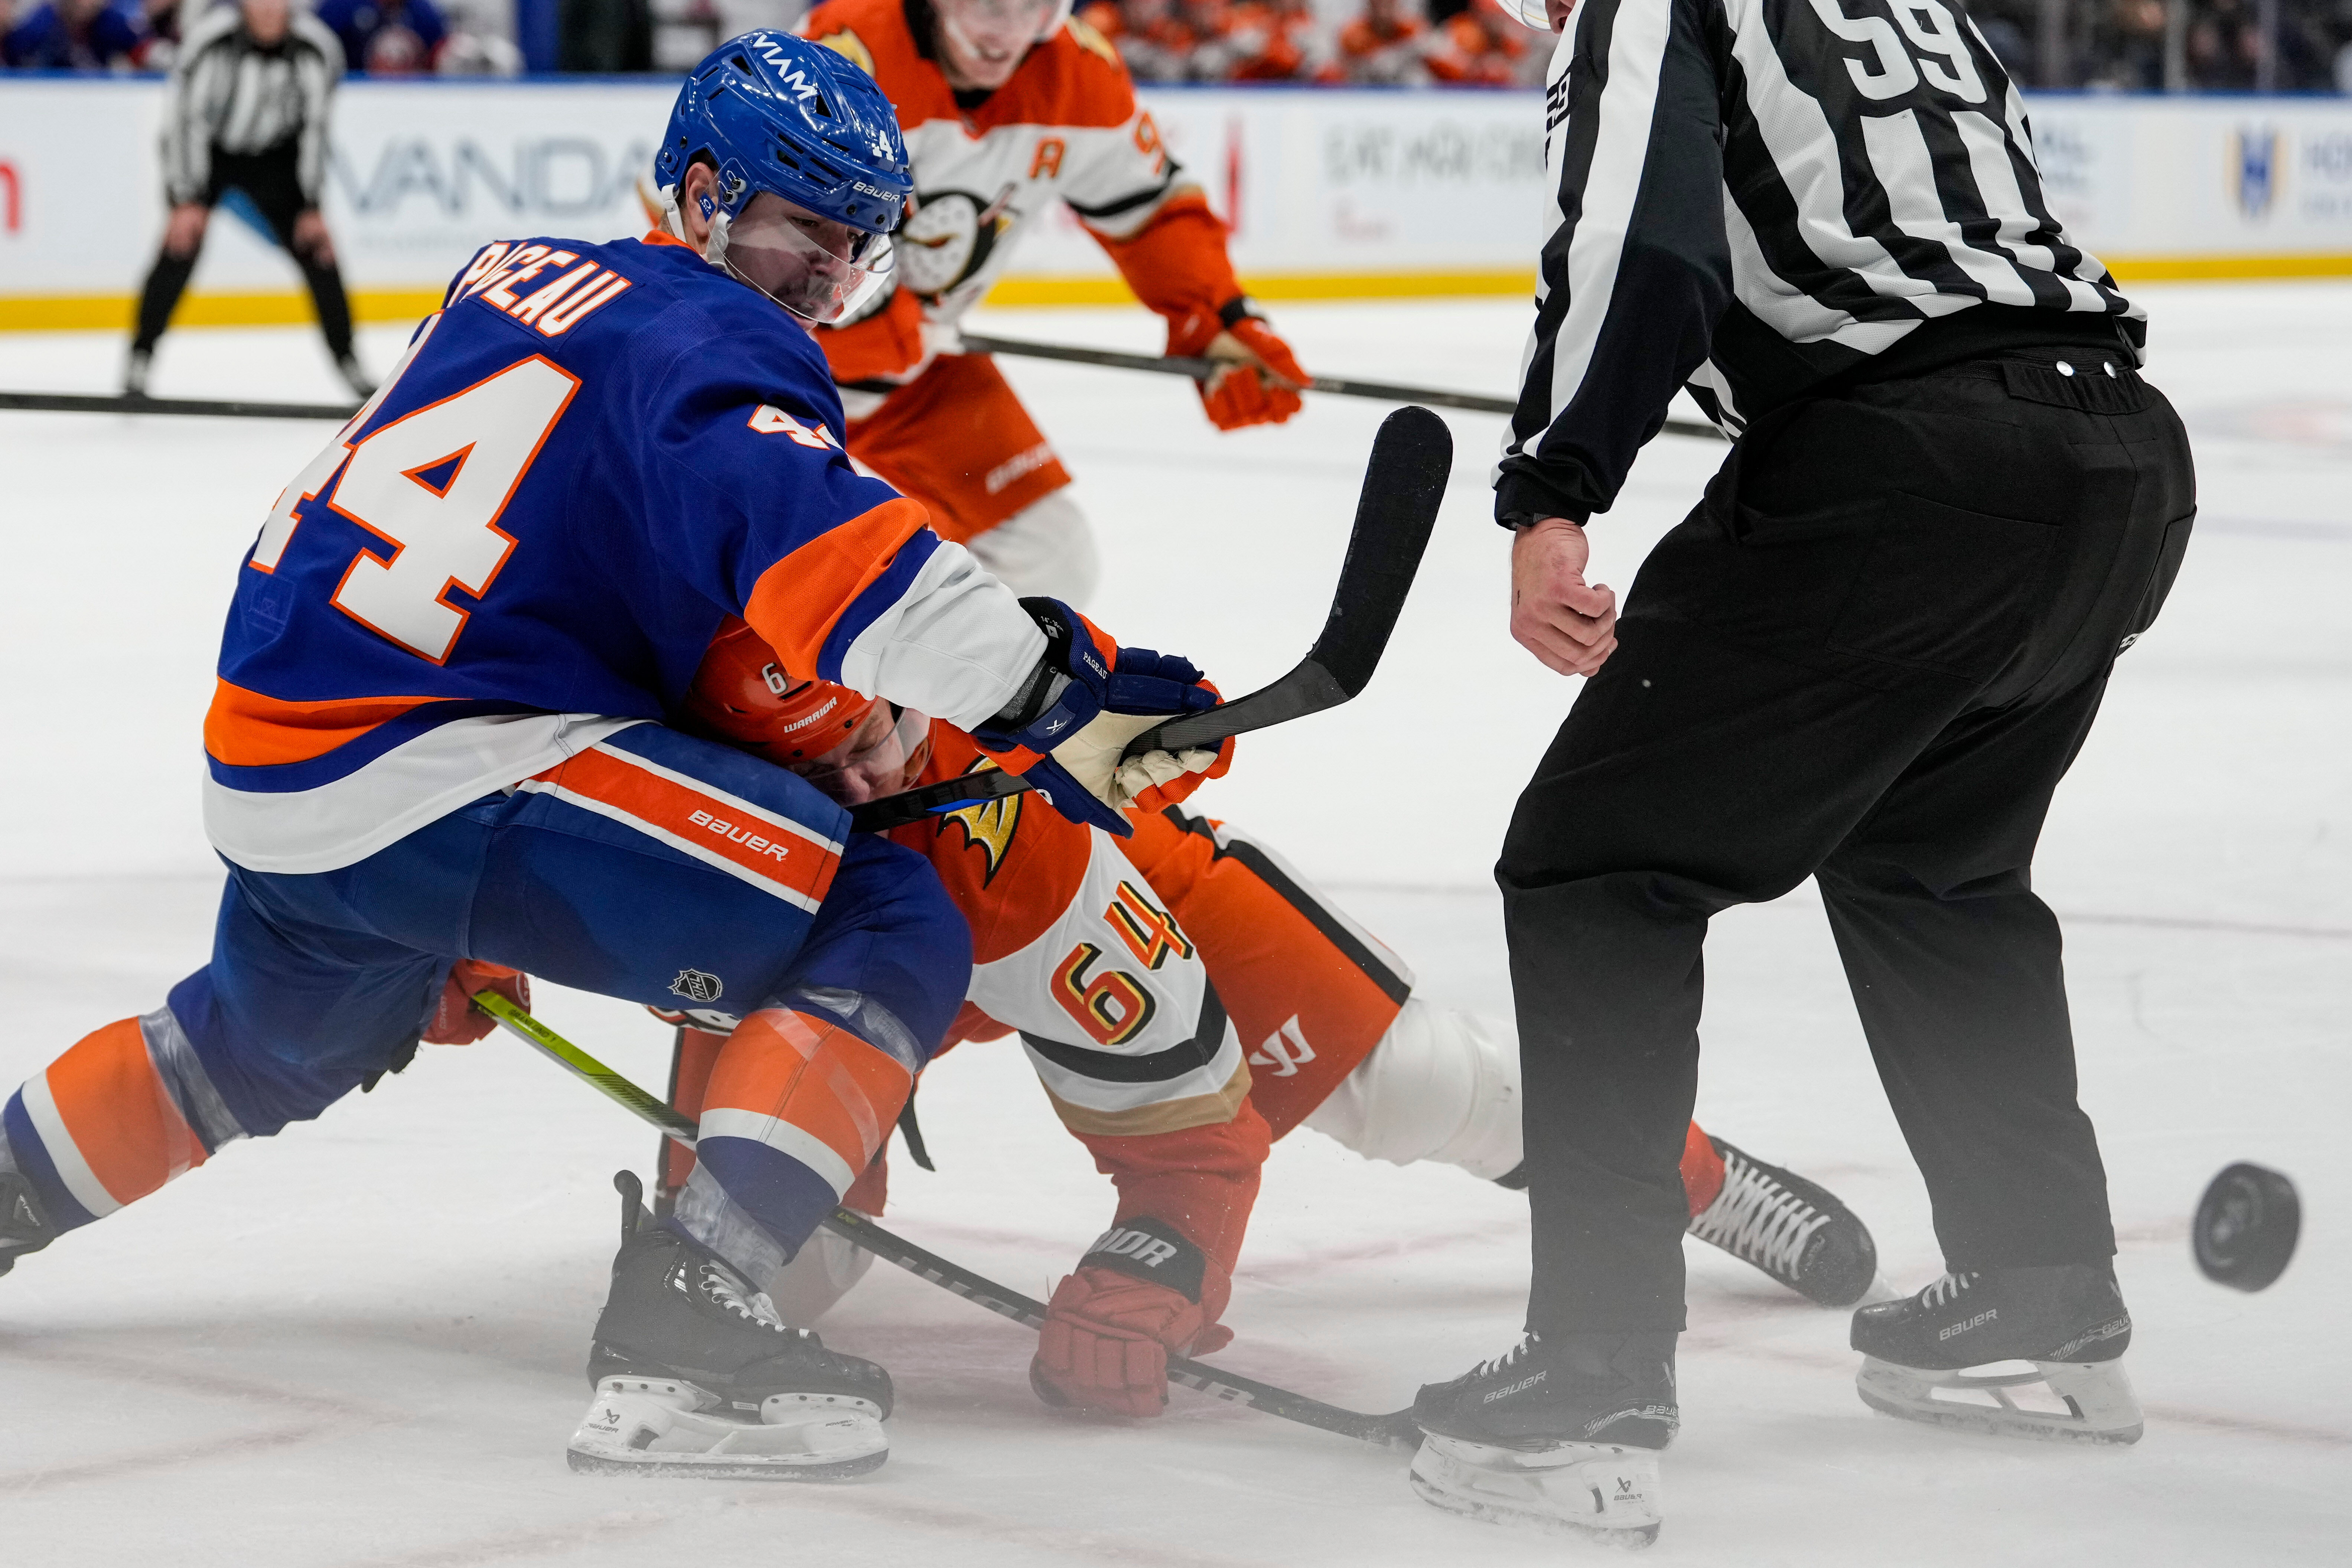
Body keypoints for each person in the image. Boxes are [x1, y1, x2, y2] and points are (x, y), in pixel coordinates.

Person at [0, 33, 1225, 1484]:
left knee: (246, 1042)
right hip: (444, 767)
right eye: (798, 237)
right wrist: (1054, 685)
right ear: (700, 194)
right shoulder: (711, 343)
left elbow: (587, 564)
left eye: (848, 257)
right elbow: (837, 553)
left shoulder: (511, 276)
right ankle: (692, 1318)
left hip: (282, 758)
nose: (818, 290)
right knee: (878, 914)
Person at [1410, 0, 2197, 1543]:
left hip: (1913, 471)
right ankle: (2039, 1283)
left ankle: (1592, 1364)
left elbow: (1644, 246)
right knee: (1934, 866)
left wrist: (1553, 486)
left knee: (1595, 869)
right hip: (2110, 459)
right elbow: (1882, 261)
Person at [625, 639, 1881, 1430]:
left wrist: (1160, 1259)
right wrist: (444, 940)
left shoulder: (1027, 849)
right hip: (858, 959)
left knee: (1422, 1089)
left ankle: (1692, 1177)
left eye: (876, 741)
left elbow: (1186, 1127)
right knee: (770, 1264)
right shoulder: (681, 785)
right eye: (811, 770)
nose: (860, 789)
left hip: (1121, 898)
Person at [799, 0, 1311, 605]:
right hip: (780, 381)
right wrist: (850, 318)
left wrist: (1218, 315)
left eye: (1032, 7)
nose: (1004, 30)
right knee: (815, 572)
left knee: (1049, 562)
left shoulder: (1078, 72)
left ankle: (924, 696)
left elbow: (1150, 209)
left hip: (914, 383)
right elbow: (758, 229)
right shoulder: (842, 53)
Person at [126, 0, 368, 400]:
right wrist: (185, 198)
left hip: (276, 160)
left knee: (320, 254)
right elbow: (186, 120)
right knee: (179, 249)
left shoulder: (317, 49)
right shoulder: (210, 41)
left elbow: (315, 130)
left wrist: (310, 205)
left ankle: (349, 363)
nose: (270, 8)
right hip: (213, 154)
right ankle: (139, 360)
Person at [314, 0, 449, 74]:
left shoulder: (425, 14)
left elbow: (439, 56)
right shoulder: (340, 8)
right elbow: (317, 49)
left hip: (411, 96)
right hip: (353, 94)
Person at [1, 0, 141, 67]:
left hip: (97, 100)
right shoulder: (43, 23)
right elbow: (13, 55)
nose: (88, 4)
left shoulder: (110, 22)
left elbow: (140, 49)